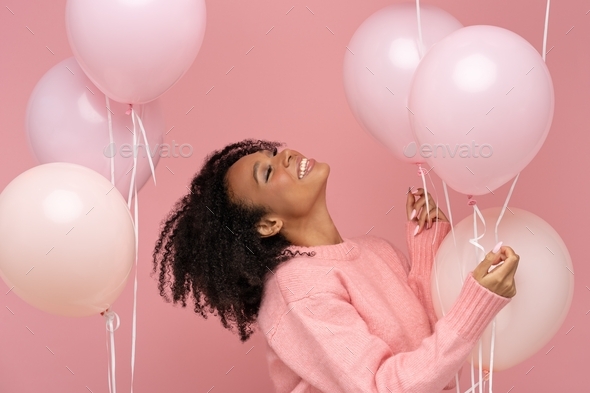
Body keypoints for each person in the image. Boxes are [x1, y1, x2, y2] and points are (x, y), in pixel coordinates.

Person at [152, 138, 519, 393]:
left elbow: (426, 350)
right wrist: (478, 306)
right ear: (267, 225)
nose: (286, 157)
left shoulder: (374, 250)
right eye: (267, 172)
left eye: (275, 153)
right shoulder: (297, 288)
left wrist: (427, 251)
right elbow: (384, 387)